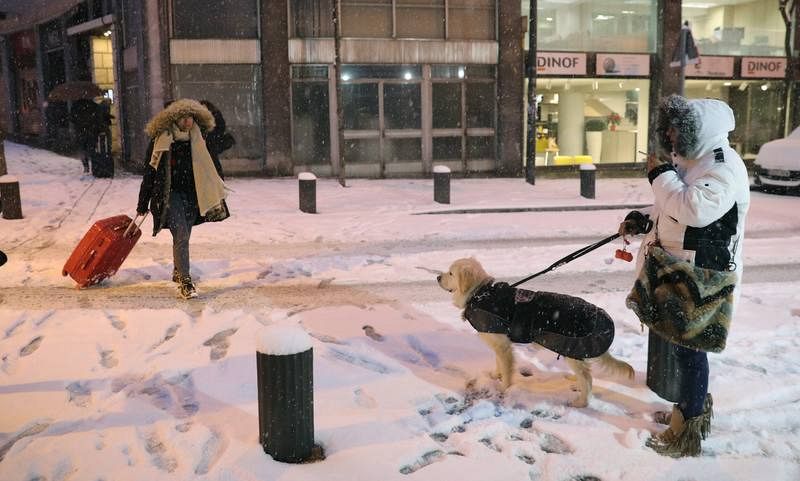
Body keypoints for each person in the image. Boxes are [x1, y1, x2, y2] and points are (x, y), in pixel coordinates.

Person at [619, 95, 750, 457]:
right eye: (669, 128)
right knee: (681, 349)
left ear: (696, 130)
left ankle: (687, 431)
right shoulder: (693, 162)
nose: (670, 135)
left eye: (676, 128)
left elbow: (694, 208)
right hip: (680, 267)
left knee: (690, 353)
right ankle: (685, 411)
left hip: (703, 275)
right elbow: (672, 204)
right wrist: (642, 217)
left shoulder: (723, 166)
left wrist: (659, 175)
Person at [136, 99, 230, 299]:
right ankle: (186, 281)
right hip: (170, 194)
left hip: (193, 194)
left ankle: (178, 270)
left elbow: (213, 165)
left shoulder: (200, 137)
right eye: (184, 117)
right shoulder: (161, 139)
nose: (188, 121)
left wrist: (218, 187)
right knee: (182, 235)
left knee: (183, 233)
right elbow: (150, 172)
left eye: (191, 117)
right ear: (175, 119)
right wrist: (143, 201)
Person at [69, 99, 105, 174]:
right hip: (91, 131)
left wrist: (78, 122)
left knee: (82, 149)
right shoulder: (94, 106)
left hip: (80, 131)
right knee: (92, 149)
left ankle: (86, 166)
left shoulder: (75, 106)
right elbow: (98, 118)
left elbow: (72, 118)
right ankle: (93, 165)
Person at [199, 99, 235, 175]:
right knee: (213, 165)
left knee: (213, 164)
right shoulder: (215, 114)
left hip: (209, 144)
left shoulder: (214, 115)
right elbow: (221, 128)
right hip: (210, 144)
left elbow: (220, 128)